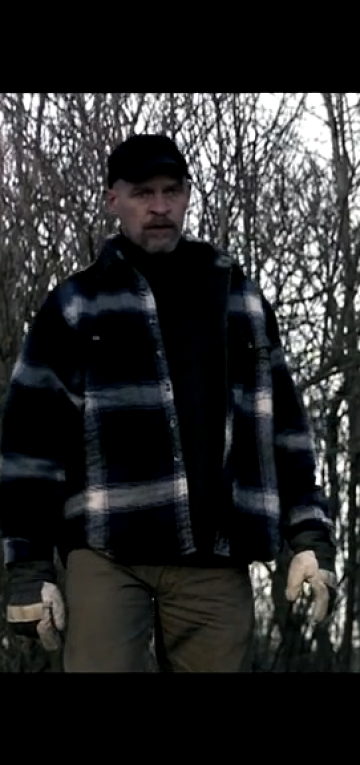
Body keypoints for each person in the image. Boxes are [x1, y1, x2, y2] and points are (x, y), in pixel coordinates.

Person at [0, 134, 338, 671]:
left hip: (215, 556)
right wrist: (28, 566)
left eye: (171, 191)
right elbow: (29, 443)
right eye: (143, 193)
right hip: (107, 550)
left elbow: (287, 432)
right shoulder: (77, 304)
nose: (160, 207)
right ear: (113, 199)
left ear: (187, 195)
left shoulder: (239, 297)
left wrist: (310, 538)